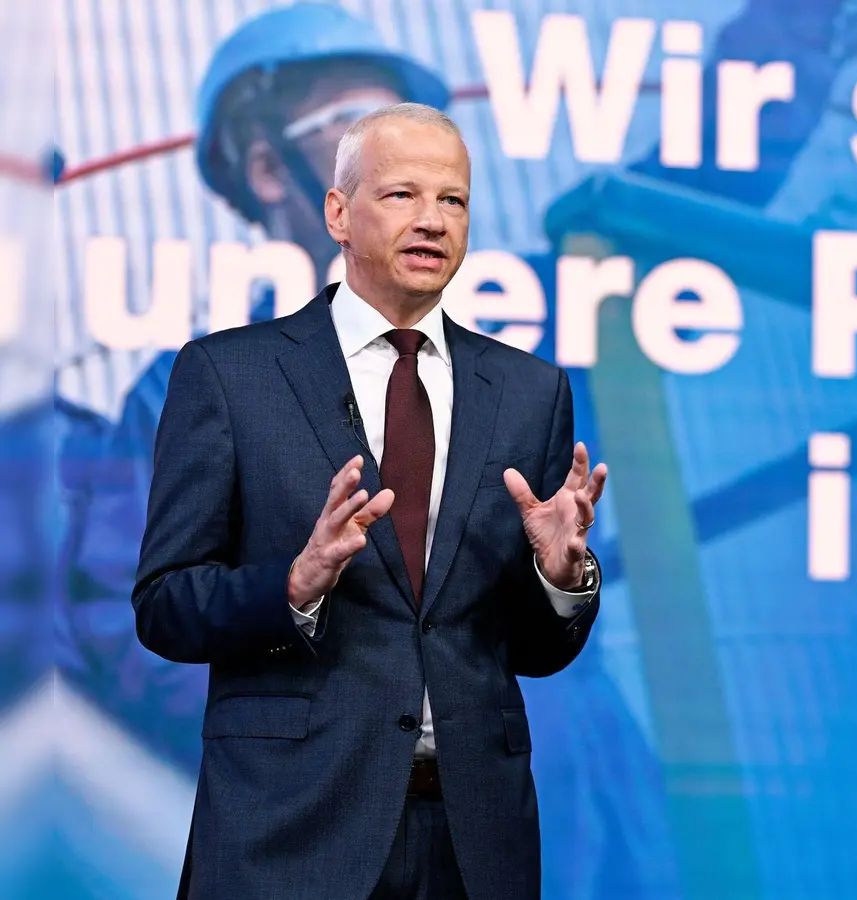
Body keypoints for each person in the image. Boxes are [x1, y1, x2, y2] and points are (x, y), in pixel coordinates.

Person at [133, 102, 602, 900]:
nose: (432, 220)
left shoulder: (529, 393)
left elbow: (530, 651)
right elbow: (165, 604)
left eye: (452, 200)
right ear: (339, 214)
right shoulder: (229, 375)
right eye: (402, 195)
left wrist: (559, 578)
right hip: (287, 830)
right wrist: (294, 585)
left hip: (470, 841)